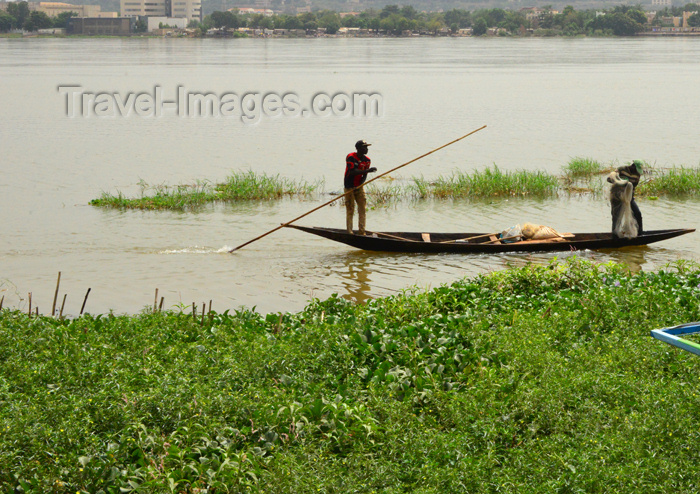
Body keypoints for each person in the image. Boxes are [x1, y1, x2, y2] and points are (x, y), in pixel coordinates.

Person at [344, 140, 377, 235]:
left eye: (367, 147)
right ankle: (349, 231)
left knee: (362, 208)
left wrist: (360, 185)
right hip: (349, 186)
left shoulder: (367, 160)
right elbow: (352, 171)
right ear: (358, 149)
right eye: (364, 147)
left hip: (359, 186)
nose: (366, 149)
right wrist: (368, 170)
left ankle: (362, 231)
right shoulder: (350, 157)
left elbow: (364, 175)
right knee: (350, 209)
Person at [607, 160, 643, 237]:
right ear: (632, 166)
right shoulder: (622, 169)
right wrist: (617, 180)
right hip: (617, 196)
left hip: (628, 198)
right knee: (616, 217)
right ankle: (615, 235)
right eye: (636, 169)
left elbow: (633, 186)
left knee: (637, 214)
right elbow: (609, 179)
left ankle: (640, 234)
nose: (637, 172)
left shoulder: (637, 175)